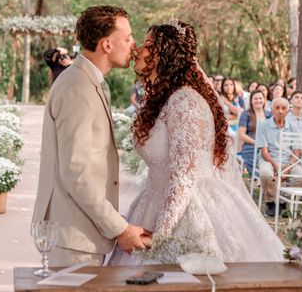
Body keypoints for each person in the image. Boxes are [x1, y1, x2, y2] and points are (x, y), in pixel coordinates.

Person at [109, 19, 284, 265]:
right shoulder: (164, 100)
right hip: (152, 201)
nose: (138, 48)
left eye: (148, 44)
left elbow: (184, 177)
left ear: (164, 54)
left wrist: (161, 236)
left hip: (188, 210)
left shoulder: (186, 102)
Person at [33, 5, 149, 267]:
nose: (134, 45)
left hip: (80, 232)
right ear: (107, 44)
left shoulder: (87, 81)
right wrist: (119, 228)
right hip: (73, 238)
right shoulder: (78, 88)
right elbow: (77, 172)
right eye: (128, 37)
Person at [257, 98, 302, 217]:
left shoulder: (293, 127)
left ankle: (283, 202)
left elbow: (296, 152)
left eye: (283, 108)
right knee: (266, 173)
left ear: (288, 111)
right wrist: (276, 167)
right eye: (277, 108)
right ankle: (270, 201)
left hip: (288, 161)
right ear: (272, 110)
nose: (280, 111)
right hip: (269, 160)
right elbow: (264, 152)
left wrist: (287, 168)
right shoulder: (264, 126)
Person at [237, 90, 271, 176]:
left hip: (268, 147)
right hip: (251, 147)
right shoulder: (246, 114)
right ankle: (259, 179)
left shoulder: (269, 114)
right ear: (251, 101)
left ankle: (268, 178)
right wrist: (256, 143)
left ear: (264, 100)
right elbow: (241, 134)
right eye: (255, 99)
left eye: (260, 98)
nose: (258, 101)